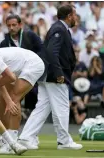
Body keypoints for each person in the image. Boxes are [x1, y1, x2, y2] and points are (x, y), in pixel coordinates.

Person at [18, 4, 83, 150]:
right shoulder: (59, 29)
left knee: (42, 108)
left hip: (48, 74)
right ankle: (64, 141)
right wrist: (59, 73)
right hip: (54, 75)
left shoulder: (59, 28)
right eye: (75, 15)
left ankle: (25, 137)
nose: (76, 18)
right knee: (61, 107)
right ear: (69, 16)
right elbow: (52, 52)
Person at [0, 14, 43, 115]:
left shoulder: (30, 36)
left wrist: (32, 63)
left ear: (20, 25)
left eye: (14, 25)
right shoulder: (4, 44)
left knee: (31, 99)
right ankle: (13, 127)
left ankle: (28, 114)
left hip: (32, 73)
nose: (11, 28)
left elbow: (42, 50)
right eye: (9, 25)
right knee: (11, 99)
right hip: (14, 76)